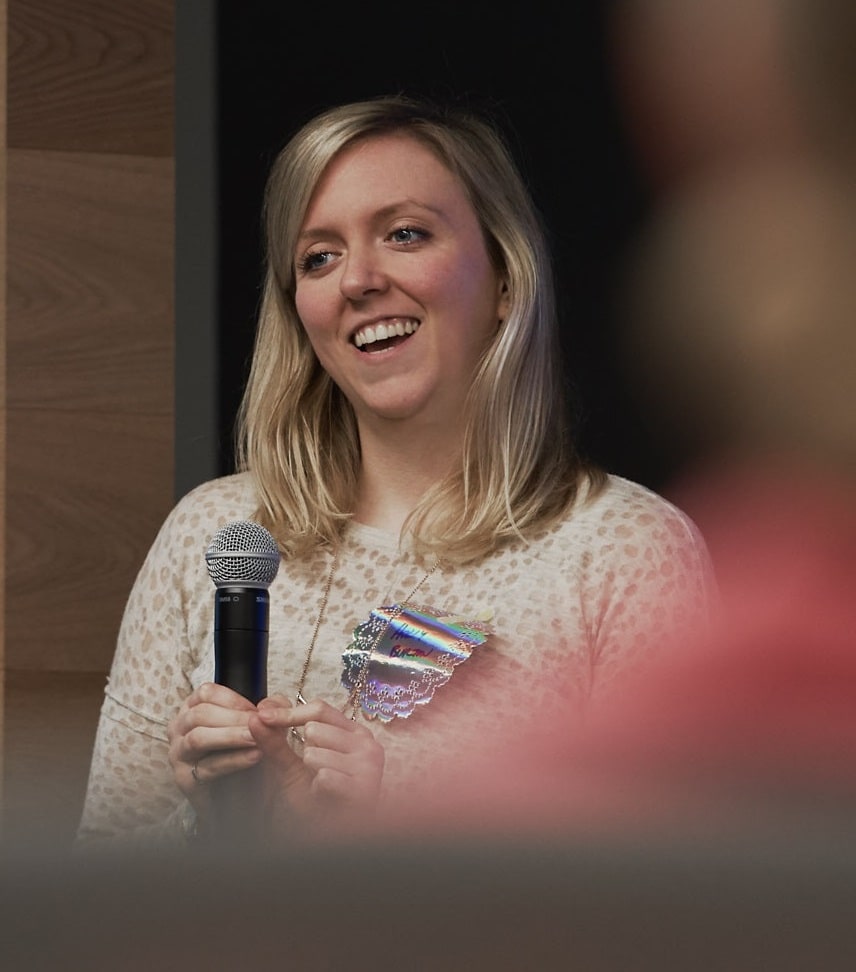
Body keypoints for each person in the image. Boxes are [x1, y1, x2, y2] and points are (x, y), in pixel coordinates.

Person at [75, 93, 716, 848]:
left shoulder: (624, 554)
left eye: (405, 234)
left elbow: (661, 913)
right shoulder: (216, 535)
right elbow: (101, 881)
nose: (357, 280)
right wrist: (207, 823)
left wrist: (384, 836)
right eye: (319, 256)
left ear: (507, 280)